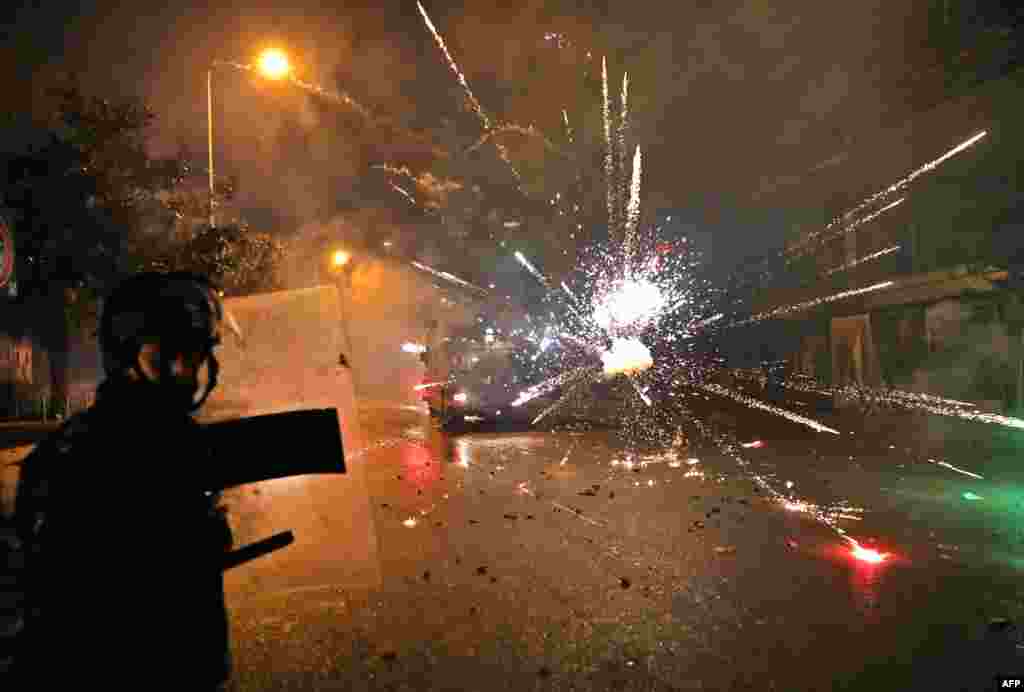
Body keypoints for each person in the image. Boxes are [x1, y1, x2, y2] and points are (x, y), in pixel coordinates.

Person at [12, 272, 239, 689]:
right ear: (128, 358)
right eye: (169, 357)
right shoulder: (80, 457)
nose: (185, 373)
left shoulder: (180, 445)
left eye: (193, 357)